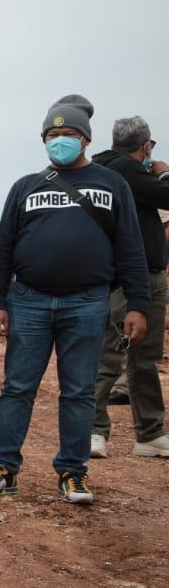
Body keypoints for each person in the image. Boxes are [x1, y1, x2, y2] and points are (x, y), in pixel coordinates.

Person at [0, 101, 148, 505]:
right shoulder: (26, 186)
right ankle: (2, 467)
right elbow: (4, 250)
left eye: (68, 136)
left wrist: (138, 304)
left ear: (85, 139)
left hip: (87, 303)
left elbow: (131, 248)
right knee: (17, 388)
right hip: (29, 301)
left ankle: (73, 473)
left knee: (79, 391)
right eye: (52, 136)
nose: (60, 142)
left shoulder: (111, 185)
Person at [90, 116, 169, 459]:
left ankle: (149, 434)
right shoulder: (127, 169)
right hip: (127, 279)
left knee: (142, 358)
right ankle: (93, 430)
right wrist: (163, 172)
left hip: (145, 275)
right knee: (113, 356)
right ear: (146, 145)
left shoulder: (105, 166)